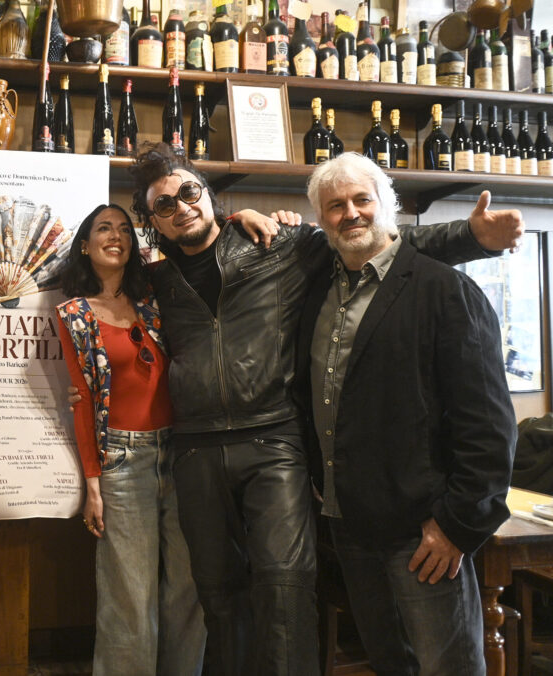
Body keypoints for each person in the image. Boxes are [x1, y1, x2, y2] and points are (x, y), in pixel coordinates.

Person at [127, 142, 524, 675]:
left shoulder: (279, 246)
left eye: (189, 192)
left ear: (208, 193)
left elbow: (383, 242)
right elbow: (95, 275)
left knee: (288, 591)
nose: (182, 207)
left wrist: (471, 236)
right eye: (164, 204)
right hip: (222, 461)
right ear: (152, 219)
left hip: (290, 451)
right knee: (219, 596)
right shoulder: (156, 280)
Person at [295, 152, 517, 675]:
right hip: (349, 525)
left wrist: (458, 526)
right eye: (335, 206)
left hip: (425, 533)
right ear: (320, 218)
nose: (350, 213)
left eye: (362, 200)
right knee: (391, 664)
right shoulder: (317, 290)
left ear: (387, 204)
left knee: (448, 668)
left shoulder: (445, 290)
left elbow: (488, 425)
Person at [56, 203, 206, 676]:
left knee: (188, 586)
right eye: (104, 228)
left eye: (124, 229)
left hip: (182, 451)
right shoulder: (74, 315)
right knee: (130, 596)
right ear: (85, 245)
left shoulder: (156, 297)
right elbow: (81, 399)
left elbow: (203, 236)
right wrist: (93, 484)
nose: (116, 236)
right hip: (123, 459)